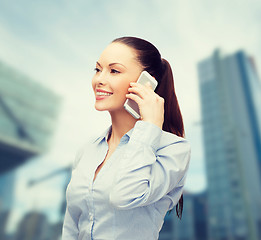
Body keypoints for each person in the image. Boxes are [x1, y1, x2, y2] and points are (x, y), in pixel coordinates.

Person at [62, 36, 191, 240]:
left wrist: (149, 126)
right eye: (97, 69)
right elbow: (71, 225)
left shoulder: (174, 149)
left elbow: (125, 196)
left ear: (147, 83)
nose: (100, 79)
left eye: (114, 71)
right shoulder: (87, 150)